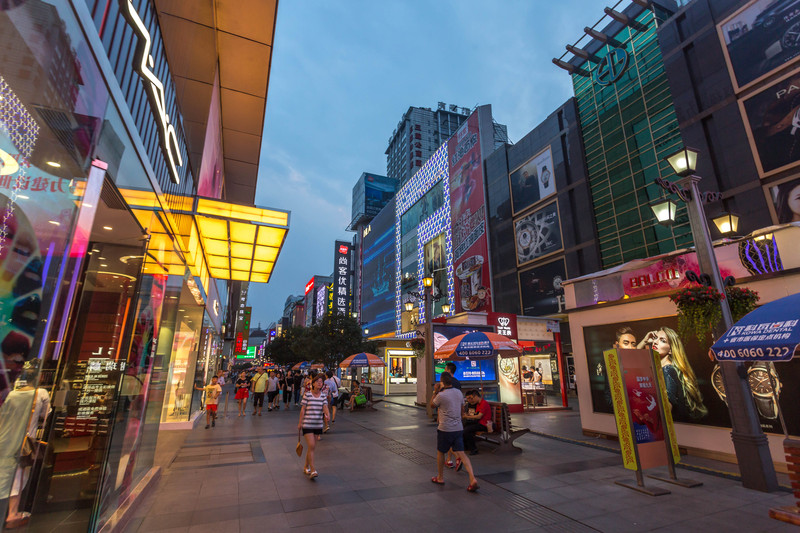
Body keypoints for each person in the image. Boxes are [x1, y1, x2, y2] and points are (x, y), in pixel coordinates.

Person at [0, 363, 49, 529]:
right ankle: (12, 514)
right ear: (39, 377)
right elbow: (46, 414)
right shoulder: (40, 393)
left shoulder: (11, 394)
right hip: (24, 441)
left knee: (6, 474)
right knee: (19, 476)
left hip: (5, 438)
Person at [639, 327, 708, 420]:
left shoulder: (668, 370)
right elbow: (627, 363)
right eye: (655, 338)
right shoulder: (664, 369)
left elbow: (666, 410)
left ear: (671, 350)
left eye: (662, 340)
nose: (655, 342)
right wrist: (644, 341)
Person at [430, 372, 479, 491]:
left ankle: (440, 477)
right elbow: (462, 411)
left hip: (445, 428)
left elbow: (432, 405)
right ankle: (472, 478)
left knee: (441, 452)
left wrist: (435, 391)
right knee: (462, 453)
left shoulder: (441, 395)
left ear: (442, 382)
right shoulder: (458, 393)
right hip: (458, 427)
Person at [297, 374, 330, 480]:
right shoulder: (307, 395)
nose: (320, 383)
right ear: (313, 383)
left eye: (321, 382)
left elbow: (325, 407)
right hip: (307, 423)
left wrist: (327, 414)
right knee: (311, 445)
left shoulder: (323, 396)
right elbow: (303, 409)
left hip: (318, 424)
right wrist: (300, 422)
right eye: (318, 381)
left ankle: (305, 466)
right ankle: (313, 469)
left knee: (312, 447)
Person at [462, 389, 491, 455]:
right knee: (464, 427)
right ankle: (466, 446)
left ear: (476, 396)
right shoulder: (478, 404)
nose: (471, 400)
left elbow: (478, 416)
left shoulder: (484, 403)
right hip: (479, 423)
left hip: (484, 425)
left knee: (467, 430)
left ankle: (473, 449)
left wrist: (466, 417)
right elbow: (476, 415)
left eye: (472, 398)